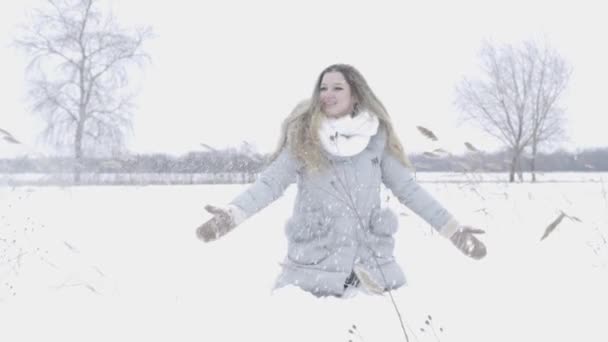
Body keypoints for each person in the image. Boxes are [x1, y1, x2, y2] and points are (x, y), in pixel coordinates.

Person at [196, 64, 486, 298]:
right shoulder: (304, 138)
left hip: (373, 275)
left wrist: (454, 231)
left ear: (356, 95)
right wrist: (232, 215)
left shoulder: (376, 140)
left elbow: (409, 190)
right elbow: (269, 184)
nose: (327, 94)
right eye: (323, 88)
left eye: (337, 87)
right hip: (312, 275)